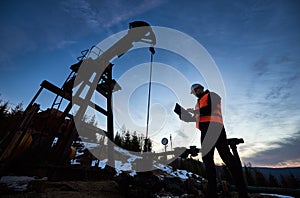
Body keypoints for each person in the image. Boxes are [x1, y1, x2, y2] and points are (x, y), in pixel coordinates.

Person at [188, 83, 248, 198]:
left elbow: (209, 109)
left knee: (221, 158)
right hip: (208, 129)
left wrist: (195, 112)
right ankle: (217, 192)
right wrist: (187, 116)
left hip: (213, 128)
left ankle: (241, 191)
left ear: (199, 88)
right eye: (194, 92)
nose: (195, 94)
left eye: (195, 91)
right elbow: (201, 115)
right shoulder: (199, 102)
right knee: (214, 159)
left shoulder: (211, 95)